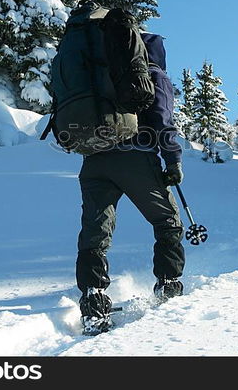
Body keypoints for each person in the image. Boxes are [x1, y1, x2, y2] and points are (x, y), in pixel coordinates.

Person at [77, 31, 185, 332]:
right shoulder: (154, 76)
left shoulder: (101, 72)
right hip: (135, 157)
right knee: (168, 221)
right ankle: (168, 285)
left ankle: (94, 299)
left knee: (95, 232)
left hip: (94, 159)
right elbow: (163, 120)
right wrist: (173, 159)